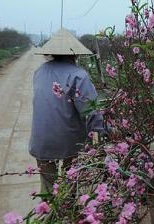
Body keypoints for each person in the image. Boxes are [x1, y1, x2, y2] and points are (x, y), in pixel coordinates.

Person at [29, 28, 105, 193]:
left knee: (49, 189)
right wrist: (104, 131)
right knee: (69, 183)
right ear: (75, 54)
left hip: (40, 141)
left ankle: (50, 214)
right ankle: (67, 211)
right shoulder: (79, 75)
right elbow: (90, 111)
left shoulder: (39, 71)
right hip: (68, 141)